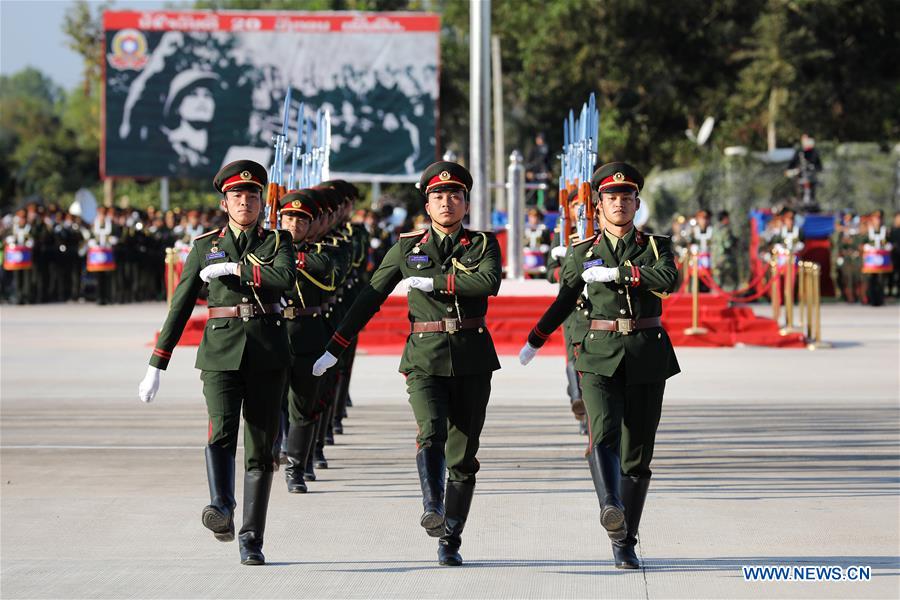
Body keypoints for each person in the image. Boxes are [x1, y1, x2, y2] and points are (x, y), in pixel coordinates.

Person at [312, 161, 502, 566]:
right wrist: (335, 346)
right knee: (430, 431)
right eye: (438, 196)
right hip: (424, 357)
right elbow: (370, 296)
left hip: (472, 356)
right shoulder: (407, 248)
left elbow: (488, 282)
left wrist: (437, 282)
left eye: (455, 195)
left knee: (463, 457)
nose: (447, 202)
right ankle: (433, 505)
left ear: (466, 204)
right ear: (427, 205)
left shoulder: (483, 244)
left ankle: (451, 537)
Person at [519, 162, 680, 570]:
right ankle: (611, 506)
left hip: (646, 353)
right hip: (598, 354)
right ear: (599, 205)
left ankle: (625, 539)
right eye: (611, 198)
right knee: (603, 433)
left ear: (637, 203)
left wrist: (623, 273)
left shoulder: (656, 247)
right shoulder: (582, 252)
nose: (619, 203)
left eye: (626, 197)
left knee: (638, 452)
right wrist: (536, 337)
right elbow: (564, 299)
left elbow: (668, 279)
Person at [137, 160, 294, 565]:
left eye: (252, 195)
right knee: (221, 432)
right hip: (221, 353)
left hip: (267, 353)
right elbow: (180, 306)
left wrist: (239, 269)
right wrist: (157, 363)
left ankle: (251, 538)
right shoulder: (204, 247)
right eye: (237, 195)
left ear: (262, 203)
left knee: (260, 448)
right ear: (224, 203)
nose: (245, 202)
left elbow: (284, 279)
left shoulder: (278, 242)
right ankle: (222, 506)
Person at [277, 190, 335, 493]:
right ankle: (274, 451)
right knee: (271, 403)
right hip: (274, 333)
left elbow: (327, 272)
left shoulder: (321, 252)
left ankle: (296, 469)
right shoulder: (267, 248)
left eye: (301, 219)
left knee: (303, 406)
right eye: (289, 217)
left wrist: (288, 260)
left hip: (308, 334)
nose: (294, 224)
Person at [711, 210, 740, 290]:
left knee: (717, 280)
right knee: (732, 279)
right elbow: (728, 244)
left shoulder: (714, 229)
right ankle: (731, 295)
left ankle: (717, 295)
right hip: (725, 259)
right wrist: (735, 241)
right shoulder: (726, 230)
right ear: (725, 218)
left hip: (715, 259)